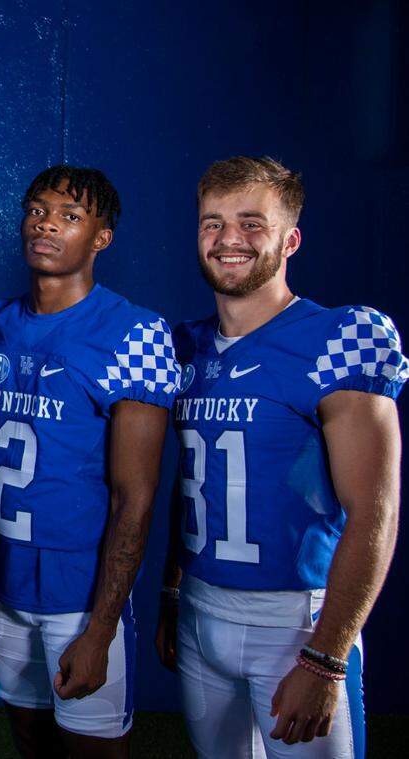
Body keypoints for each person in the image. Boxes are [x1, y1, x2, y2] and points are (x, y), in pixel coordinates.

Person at [156, 156, 406, 758]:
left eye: (252, 223)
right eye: (213, 223)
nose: (229, 239)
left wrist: (326, 657)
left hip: (295, 622)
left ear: (290, 240)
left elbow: (375, 513)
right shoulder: (183, 346)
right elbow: (190, 484)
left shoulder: (338, 339)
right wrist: (170, 593)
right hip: (199, 610)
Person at [0, 166, 179, 757]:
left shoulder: (135, 333)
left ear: (100, 237)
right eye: (37, 211)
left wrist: (101, 626)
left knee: (92, 749)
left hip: (81, 595)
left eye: (70, 216)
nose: (46, 226)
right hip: (5, 584)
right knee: (29, 737)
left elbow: (135, 497)